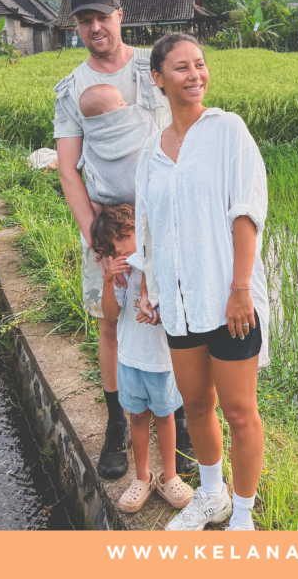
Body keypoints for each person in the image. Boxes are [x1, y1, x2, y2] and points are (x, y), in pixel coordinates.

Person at [53, 0, 193, 480]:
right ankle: (117, 421)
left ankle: (181, 416)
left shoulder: (152, 69)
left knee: (175, 312)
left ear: (119, 15)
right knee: (110, 321)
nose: (95, 28)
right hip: (108, 224)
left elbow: (185, 129)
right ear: (77, 27)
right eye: (84, 21)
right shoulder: (71, 89)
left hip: (163, 218)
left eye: (102, 17)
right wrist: (96, 238)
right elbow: (68, 170)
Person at [135, 32, 269, 532]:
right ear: (158, 79)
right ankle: (212, 496)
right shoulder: (152, 150)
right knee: (195, 404)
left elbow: (246, 210)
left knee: (239, 410)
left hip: (228, 298)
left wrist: (241, 288)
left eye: (200, 64)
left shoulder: (227, 130)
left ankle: (244, 517)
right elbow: (149, 225)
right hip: (180, 302)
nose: (195, 75)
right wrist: (149, 288)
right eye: (181, 67)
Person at [93, 204, 194, 514]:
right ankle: (142, 478)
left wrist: (159, 314)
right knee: (136, 418)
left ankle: (170, 476)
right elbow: (111, 314)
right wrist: (108, 280)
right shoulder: (122, 275)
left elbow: (177, 307)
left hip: (161, 361)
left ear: (141, 232)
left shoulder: (160, 266)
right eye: (114, 246)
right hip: (130, 359)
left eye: (125, 238)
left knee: (165, 417)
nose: (121, 249)